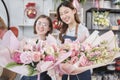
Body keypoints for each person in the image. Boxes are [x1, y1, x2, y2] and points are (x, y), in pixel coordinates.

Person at [56, 1, 91, 80]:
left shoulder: (83, 30)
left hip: (81, 71)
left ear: (74, 11)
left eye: (66, 12)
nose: (64, 16)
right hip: (66, 72)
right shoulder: (62, 32)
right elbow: (57, 53)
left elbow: (88, 53)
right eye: (61, 14)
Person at [20, 15, 53, 80]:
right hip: (27, 77)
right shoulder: (25, 41)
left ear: (49, 28)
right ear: (35, 25)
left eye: (45, 24)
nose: (41, 26)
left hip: (43, 77)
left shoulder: (51, 45)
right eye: (39, 23)